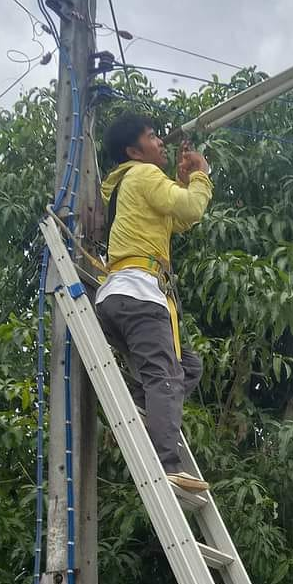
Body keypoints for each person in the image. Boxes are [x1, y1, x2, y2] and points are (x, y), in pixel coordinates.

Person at [97, 113, 213, 494]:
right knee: (165, 378)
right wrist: (200, 175)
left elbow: (176, 219)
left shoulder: (130, 185)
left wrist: (182, 181)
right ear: (133, 150)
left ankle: (136, 412)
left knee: (186, 367)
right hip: (139, 295)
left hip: (122, 297)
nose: (160, 141)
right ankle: (166, 463)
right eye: (151, 137)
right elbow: (192, 209)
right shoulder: (144, 175)